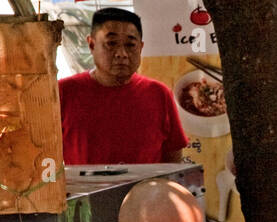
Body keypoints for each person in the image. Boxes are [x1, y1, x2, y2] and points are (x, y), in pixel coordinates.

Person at [59, 7, 189, 166]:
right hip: (83, 190)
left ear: (140, 47)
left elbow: (173, 157)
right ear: (92, 45)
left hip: (146, 190)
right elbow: (44, 154)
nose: (122, 53)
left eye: (130, 44)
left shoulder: (159, 94)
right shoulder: (63, 92)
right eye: (111, 43)